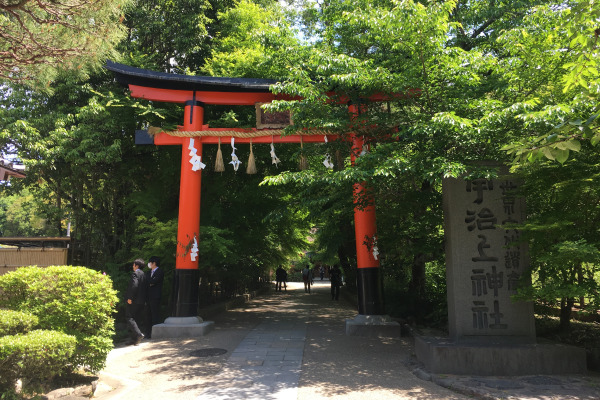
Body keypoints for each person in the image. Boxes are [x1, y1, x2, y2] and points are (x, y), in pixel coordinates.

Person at [126, 258, 148, 345]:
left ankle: (138, 334)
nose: (132, 266)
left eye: (133, 265)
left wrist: (130, 297)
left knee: (129, 317)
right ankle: (135, 340)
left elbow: (134, 285)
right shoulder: (144, 274)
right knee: (137, 319)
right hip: (142, 301)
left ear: (136, 265)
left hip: (134, 300)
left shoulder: (135, 274)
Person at [145, 256, 164, 339]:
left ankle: (155, 333)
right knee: (148, 315)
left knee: (155, 314)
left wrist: (150, 282)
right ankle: (148, 334)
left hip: (155, 296)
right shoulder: (148, 273)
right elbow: (147, 282)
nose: (149, 264)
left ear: (154, 263)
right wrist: (150, 283)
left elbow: (153, 281)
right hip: (148, 296)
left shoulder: (160, 271)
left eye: (150, 262)